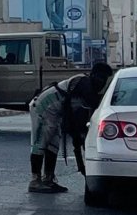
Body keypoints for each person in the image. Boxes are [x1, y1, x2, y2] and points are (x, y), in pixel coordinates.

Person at [27, 62, 114, 194]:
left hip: (55, 112)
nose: (101, 82)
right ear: (93, 75)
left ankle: (48, 179)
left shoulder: (87, 86)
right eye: (100, 78)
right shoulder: (85, 83)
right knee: (41, 142)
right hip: (43, 106)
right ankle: (35, 181)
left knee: (53, 144)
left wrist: (77, 138)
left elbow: (75, 119)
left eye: (104, 79)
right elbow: (94, 105)